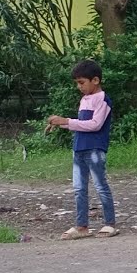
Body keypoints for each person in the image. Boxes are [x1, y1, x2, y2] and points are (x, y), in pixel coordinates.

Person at [46, 59, 119, 240]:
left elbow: (95, 125)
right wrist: (60, 123)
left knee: (100, 186)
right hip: (79, 148)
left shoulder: (103, 99)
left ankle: (110, 223)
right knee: (79, 189)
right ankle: (81, 226)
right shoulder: (84, 99)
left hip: (94, 149)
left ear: (95, 80)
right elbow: (81, 125)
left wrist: (66, 121)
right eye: (77, 83)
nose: (79, 87)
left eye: (81, 83)